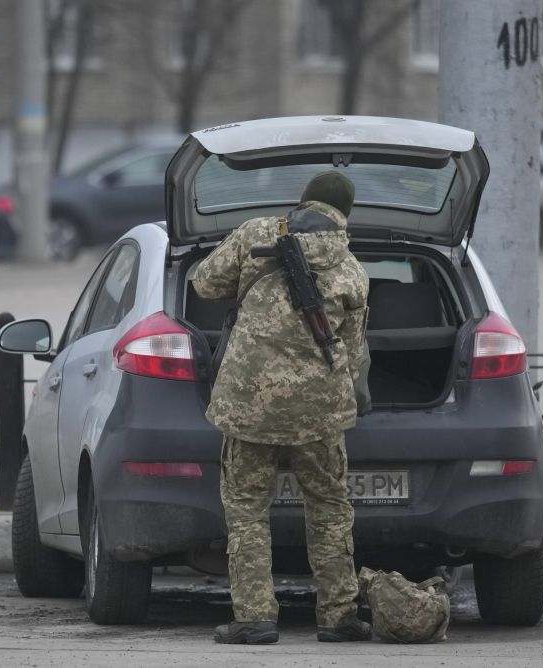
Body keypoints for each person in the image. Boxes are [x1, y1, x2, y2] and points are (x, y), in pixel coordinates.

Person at [191, 170, 371, 645]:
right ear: (345, 215)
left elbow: (205, 284)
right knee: (330, 507)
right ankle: (338, 618)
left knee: (248, 510)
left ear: (304, 201)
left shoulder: (256, 234)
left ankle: (254, 618)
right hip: (320, 412)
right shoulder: (353, 271)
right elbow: (351, 352)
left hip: (250, 404)